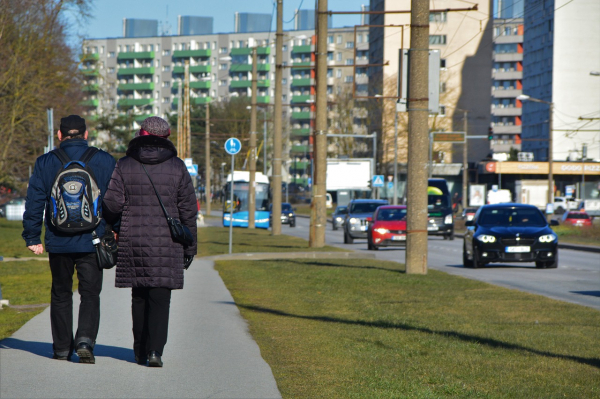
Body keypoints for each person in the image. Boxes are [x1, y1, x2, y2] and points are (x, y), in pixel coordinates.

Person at [102, 116, 197, 368]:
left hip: (134, 238)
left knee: (139, 295)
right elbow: (188, 210)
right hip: (168, 242)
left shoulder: (124, 165)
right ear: (166, 136)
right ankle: (155, 351)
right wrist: (190, 246)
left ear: (140, 134)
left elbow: (112, 203)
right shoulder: (177, 167)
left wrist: (113, 224)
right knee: (160, 298)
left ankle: (139, 350)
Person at [22, 115, 116, 363]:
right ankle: (85, 340)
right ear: (86, 134)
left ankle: (62, 348)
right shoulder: (104, 160)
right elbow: (115, 202)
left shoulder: (45, 162)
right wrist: (114, 229)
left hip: (58, 239)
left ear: (60, 136)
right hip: (93, 239)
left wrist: (32, 236)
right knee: (90, 293)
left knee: (61, 293)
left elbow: (34, 202)